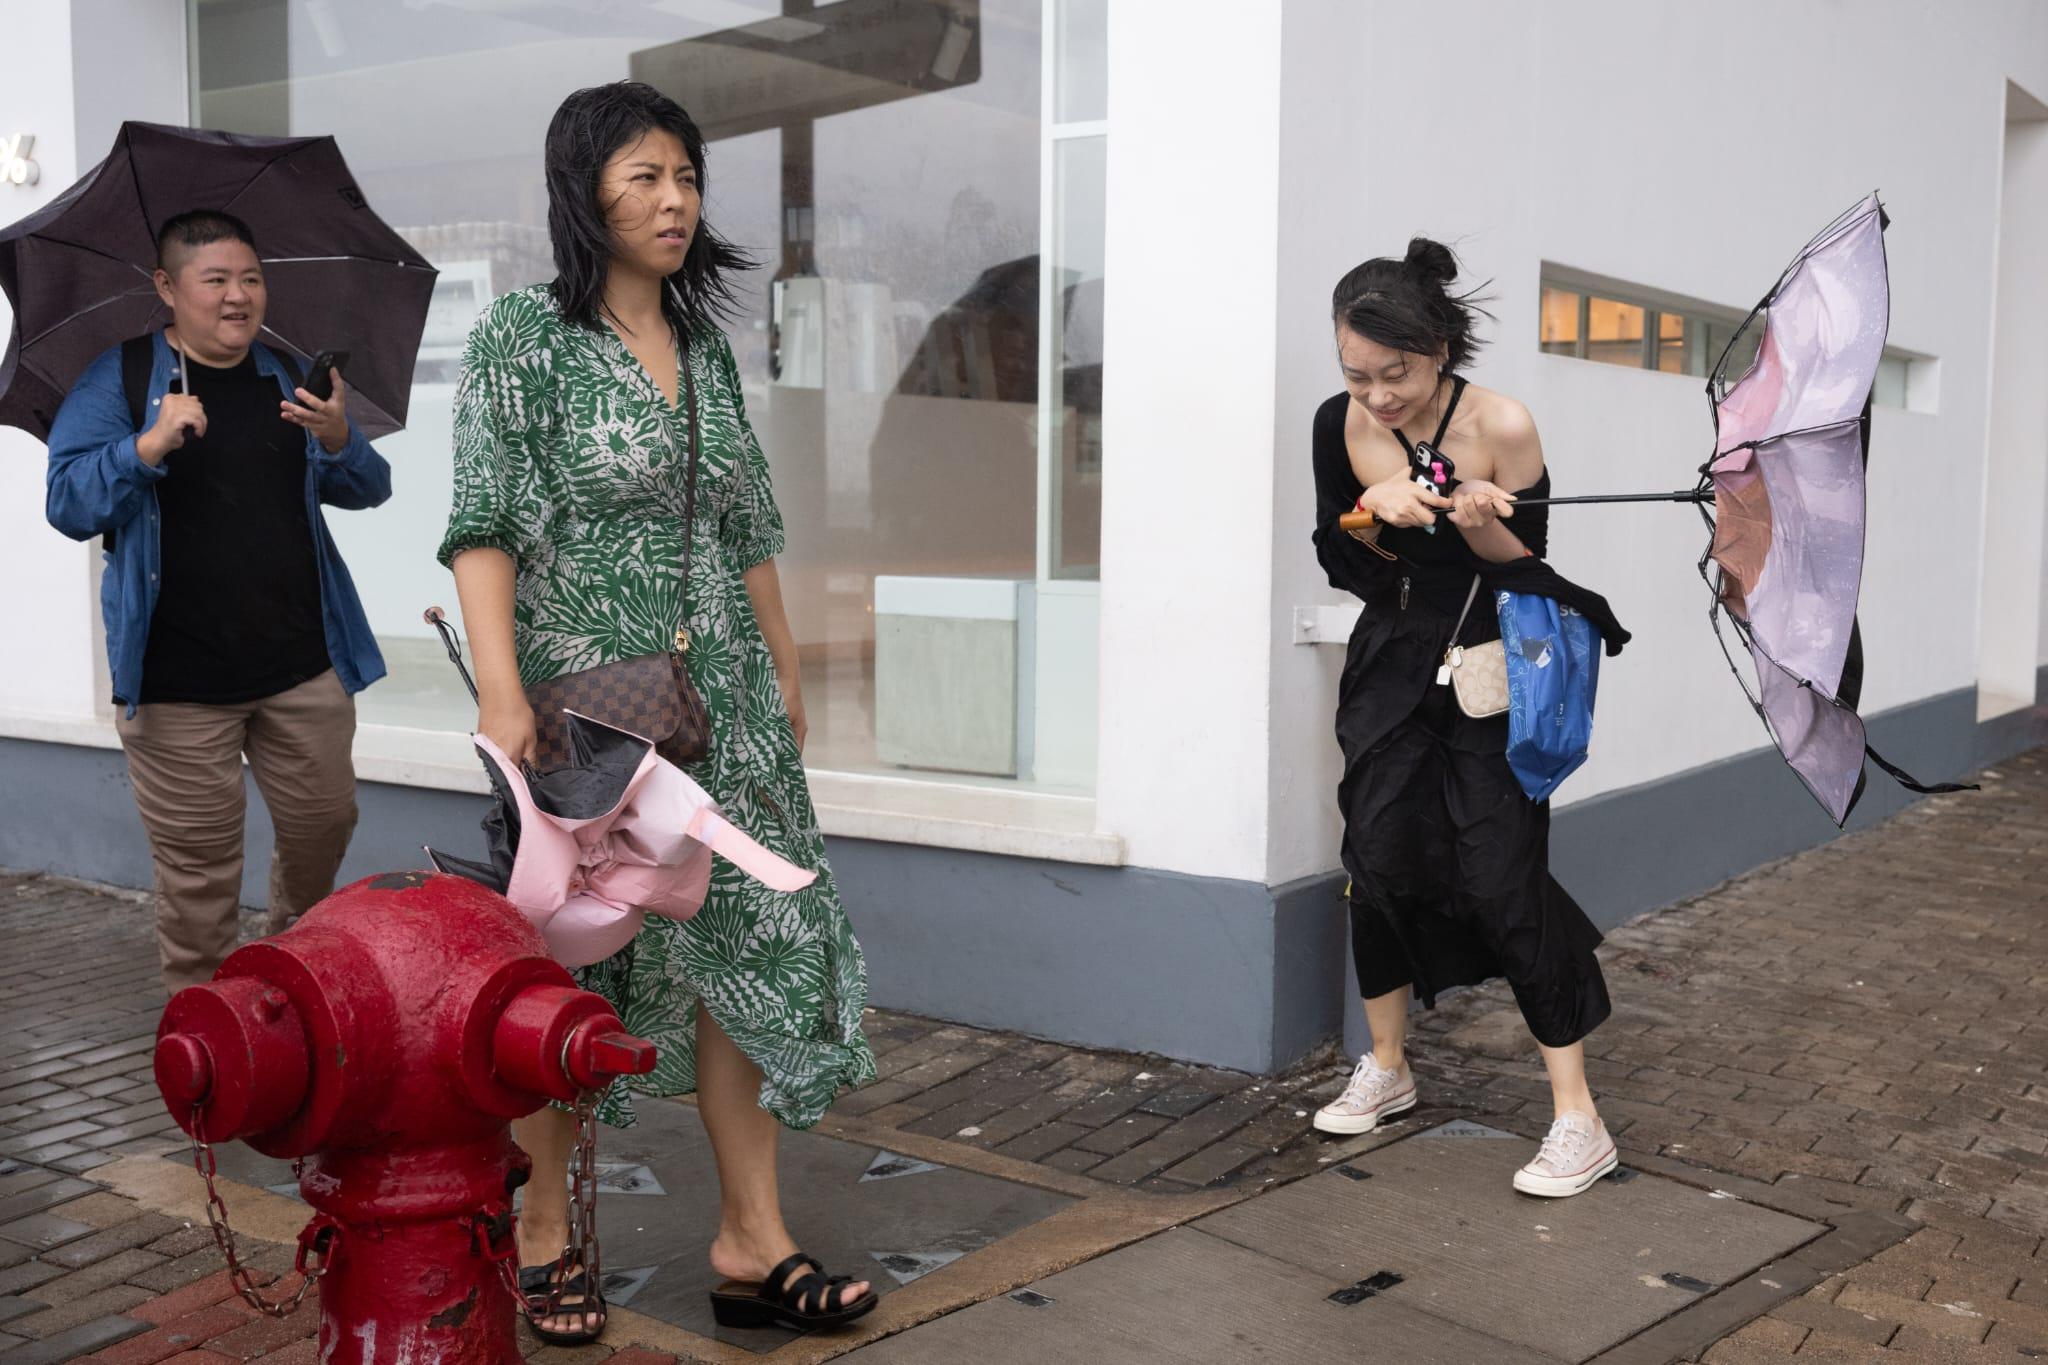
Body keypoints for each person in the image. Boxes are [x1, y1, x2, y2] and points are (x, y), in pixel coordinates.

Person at [439, 81, 876, 1343]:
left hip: (723, 702)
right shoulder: (527, 338)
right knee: (582, 956)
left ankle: (752, 1240)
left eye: (685, 176)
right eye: (644, 178)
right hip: (586, 711)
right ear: (584, 192)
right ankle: (544, 1235)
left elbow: (746, 531)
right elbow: (480, 528)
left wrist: (784, 668)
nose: (674, 199)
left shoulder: (708, 349)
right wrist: (507, 700)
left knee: (750, 946)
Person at [1308, 238, 1629, 1198]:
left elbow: (1523, 568)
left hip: (1491, 667)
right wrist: (1377, 508)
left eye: (1394, 374)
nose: (1376, 399)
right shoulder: (1339, 424)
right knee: (1374, 855)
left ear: (1441, 345)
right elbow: (1340, 555)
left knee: (1500, 871)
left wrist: (1479, 517)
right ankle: (1388, 1066)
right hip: (1392, 663)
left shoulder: (1504, 423)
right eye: (1357, 377)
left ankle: (1580, 1118)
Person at [45, 210, 390, 996]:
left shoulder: (284, 373)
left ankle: (288, 983)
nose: (239, 296)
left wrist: (340, 436)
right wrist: (145, 446)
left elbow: (369, 489)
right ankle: (208, 1052)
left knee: (324, 828)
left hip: (303, 664)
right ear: (168, 287)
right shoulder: (122, 378)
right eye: (216, 280)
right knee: (200, 878)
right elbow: (67, 501)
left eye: (251, 278)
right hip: (177, 682)